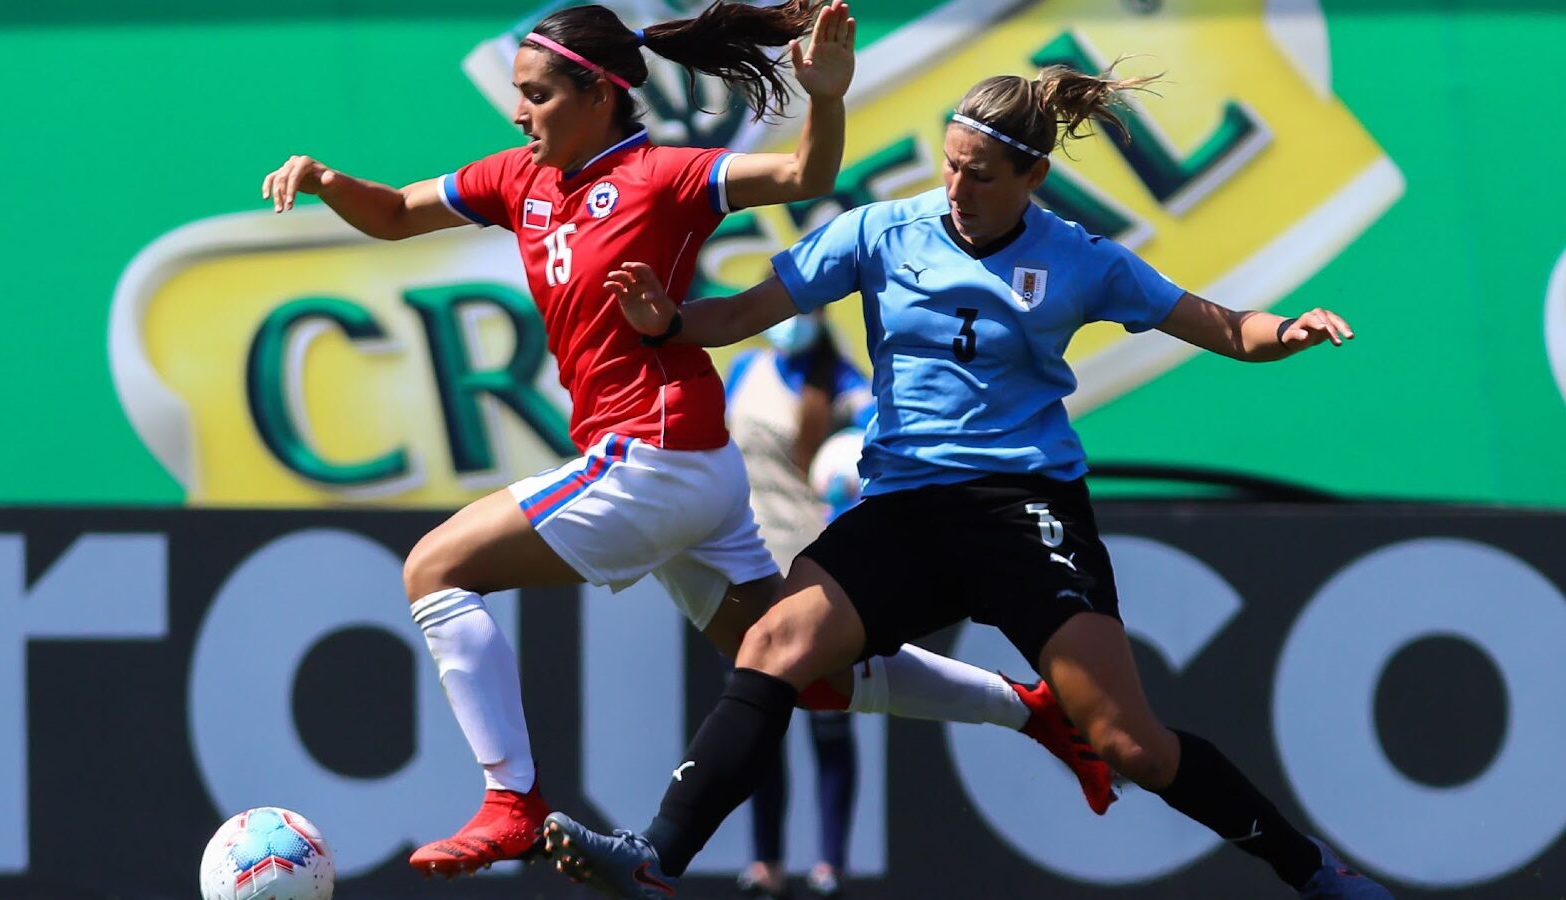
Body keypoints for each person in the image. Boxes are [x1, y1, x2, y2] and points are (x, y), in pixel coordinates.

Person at [259, 1, 1109, 881]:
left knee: (433, 570)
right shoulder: (519, 178)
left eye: (538, 94)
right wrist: (328, 181)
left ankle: (512, 800)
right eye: (519, 95)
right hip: (689, 467)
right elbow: (397, 212)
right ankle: (1034, 710)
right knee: (805, 674)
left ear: (600, 94)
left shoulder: (661, 174)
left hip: (653, 454)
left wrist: (825, 96)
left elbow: (806, 173)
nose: (520, 113)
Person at [540, 65, 1394, 899]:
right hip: (905, 509)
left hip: (1023, 512)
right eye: (949, 164)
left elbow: (1222, 327)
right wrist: (670, 322)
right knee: (773, 646)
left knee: (1132, 747)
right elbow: (739, 315)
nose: (958, 187)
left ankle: (1313, 871)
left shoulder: (1080, 259)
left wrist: (1286, 328)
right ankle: (654, 858)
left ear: (1034, 176)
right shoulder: (878, 231)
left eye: (981, 175)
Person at [726, 313, 866, 900]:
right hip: (745, 566)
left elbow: (882, 421)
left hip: (813, 566)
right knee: (757, 719)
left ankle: (830, 862)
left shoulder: (840, 379)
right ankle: (767, 863)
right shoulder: (744, 370)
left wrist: (860, 474)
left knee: (829, 715)